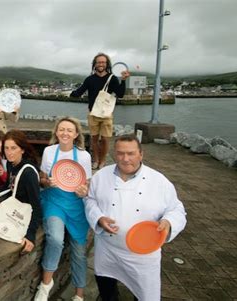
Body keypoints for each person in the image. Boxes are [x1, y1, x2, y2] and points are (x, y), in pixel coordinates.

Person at [84, 135, 187, 300]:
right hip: (108, 249)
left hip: (143, 255)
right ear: (114, 153)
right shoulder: (101, 176)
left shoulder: (158, 181)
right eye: (120, 153)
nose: (125, 159)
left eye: (131, 153)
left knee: (144, 295)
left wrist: (168, 221)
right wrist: (99, 218)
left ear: (141, 154)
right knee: (107, 292)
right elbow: (90, 200)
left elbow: (177, 209)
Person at [34, 117, 92, 301]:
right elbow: (42, 179)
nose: (65, 133)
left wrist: (83, 191)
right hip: (54, 200)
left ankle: (79, 295)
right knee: (56, 239)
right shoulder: (49, 152)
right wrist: (46, 182)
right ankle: (45, 286)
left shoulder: (84, 156)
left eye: (69, 130)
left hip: (75, 203)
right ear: (56, 132)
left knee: (79, 251)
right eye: (61, 130)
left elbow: (87, 185)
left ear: (76, 134)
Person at [70, 52, 130, 170]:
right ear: (95, 64)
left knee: (105, 139)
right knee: (94, 139)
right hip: (93, 113)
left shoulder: (112, 78)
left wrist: (123, 80)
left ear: (107, 64)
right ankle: (96, 160)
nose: (101, 64)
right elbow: (79, 92)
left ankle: (102, 161)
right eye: (98, 62)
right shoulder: (90, 79)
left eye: (103, 62)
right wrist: (72, 93)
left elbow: (120, 94)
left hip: (107, 114)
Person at [0, 129, 41, 254]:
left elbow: (36, 206)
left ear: (22, 149)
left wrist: (31, 235)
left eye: (14, 148)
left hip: (22, 213)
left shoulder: (28, 173)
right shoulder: (12, 163)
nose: (9, 153)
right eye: (6, 148)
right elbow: (9, 184)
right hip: (13, 208)